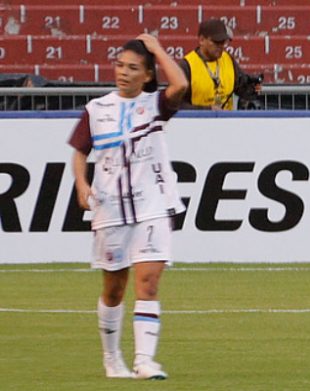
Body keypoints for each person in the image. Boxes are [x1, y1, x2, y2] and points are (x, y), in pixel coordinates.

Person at [68, 33, 188, 380]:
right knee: (113, 289)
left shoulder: (156, 105)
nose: (123, 72)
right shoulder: (96, 109)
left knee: (148, 282)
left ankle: (144, 360)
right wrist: (81, 182)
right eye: (120, 65)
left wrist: (156, 49)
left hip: (153, 204)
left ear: (147, 75)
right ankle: (111, 358)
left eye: (133, 67)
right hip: (110, 210)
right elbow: (79, 151)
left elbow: (179, 83)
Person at [179, 18, 261, 110]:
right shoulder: (187, 66)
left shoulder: (228, 60)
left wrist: (254, 88)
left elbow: (243, 88)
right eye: (216, 42)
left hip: (225, 122)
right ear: (201, 40)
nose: (220, 46)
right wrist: (207, 110)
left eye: (223, 42)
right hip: (196, 122)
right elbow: (175, 105)